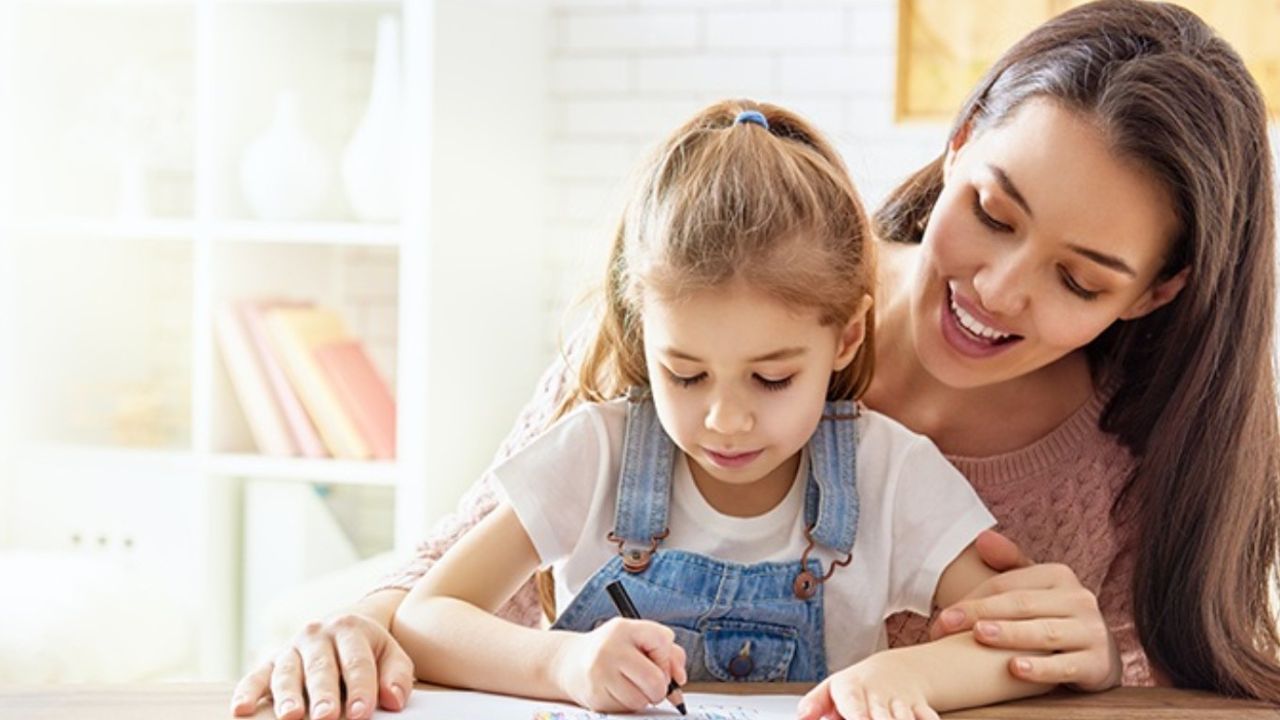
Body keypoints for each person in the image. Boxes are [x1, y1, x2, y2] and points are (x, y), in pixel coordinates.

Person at [231, 2, 1280, 719]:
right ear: (958, 142)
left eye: (1079, 280)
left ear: (1155, 292)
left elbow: (1159, 671)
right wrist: (365, 630)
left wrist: (1095, 663)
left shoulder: (1132, 456)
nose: (1000, 289)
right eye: (991, 212)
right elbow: (455, 581)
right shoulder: (731, 283)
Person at [393, 99, 1056, 719]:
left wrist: (906, 675)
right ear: (642, 331)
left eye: (771, 379)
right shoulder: (598, 454)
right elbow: (427, 617)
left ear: (847, 337)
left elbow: (1015, 644)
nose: (723, 420)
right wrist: (561, 663)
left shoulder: (887, 474)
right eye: (685, 375)